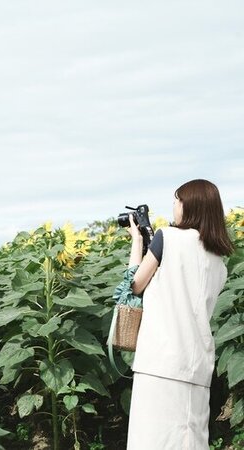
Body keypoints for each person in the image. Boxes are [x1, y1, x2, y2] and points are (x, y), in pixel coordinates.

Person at [125, 179, 233, 449]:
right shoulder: (219, 262)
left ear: (190, 205)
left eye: (177, 200)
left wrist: (138, 241)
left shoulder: (168, 238)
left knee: (151, 440)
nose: (174, 205)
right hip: (197, 364)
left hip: (160, 361)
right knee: (191, 439)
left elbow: (135, 284)